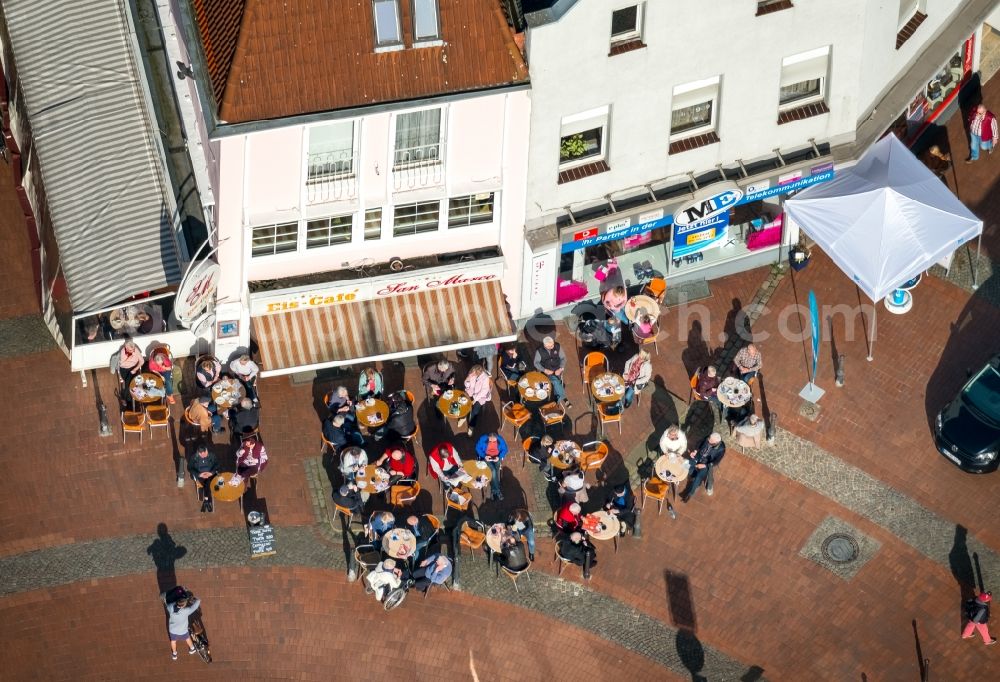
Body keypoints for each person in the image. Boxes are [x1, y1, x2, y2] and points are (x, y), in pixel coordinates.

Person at [682, 433, 726, 502]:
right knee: (686, 464)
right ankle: (693, 474)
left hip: (706, 464)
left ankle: (690, 494)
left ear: (716, 443)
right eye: (708, 439)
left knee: (698, 478)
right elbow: (699, 443)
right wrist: (695, 451)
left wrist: (704, 465)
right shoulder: (708, 437)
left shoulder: (721, 449)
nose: (708, 441)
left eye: (710, 442)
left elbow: (716, 462)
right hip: (699, 456)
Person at [160, 588, 200, 660]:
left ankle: (174, 654)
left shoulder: (170, 607)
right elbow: (195, 605)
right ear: (184, 605)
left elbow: (167, 604)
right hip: (183, 630)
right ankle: (192, 648)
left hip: (173, 630)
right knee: (187, 638)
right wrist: (197, 600)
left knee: (173, 641)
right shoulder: (186, 611)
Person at [533, 336, 571, 408]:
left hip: (557, 370)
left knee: (555, 381)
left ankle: (557, 400)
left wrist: (560, 369)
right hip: (546, 372)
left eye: (552, 345)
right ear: (544, 345)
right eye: (549, 346)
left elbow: (563, 358)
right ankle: (563, 398)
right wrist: (544, 370)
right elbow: (536, 363)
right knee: (556, 381)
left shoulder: (557, 346)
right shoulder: (539, 351)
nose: (552, 347)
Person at [475, 432, 508, 501]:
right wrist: (484, 456)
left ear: (497, 438)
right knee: (493, 471)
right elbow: (477, 448)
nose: (492, 442)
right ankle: (497, 491)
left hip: (497, 457)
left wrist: (499, 457)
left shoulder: (500, 440)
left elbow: (505, 449)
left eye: (494, 441)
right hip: (487, 457)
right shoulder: (483, 439)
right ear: (488, 438)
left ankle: (493, 491)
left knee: (495, 472)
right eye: (490, 441)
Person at [187, 444, 220, 512]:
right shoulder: (194, 458)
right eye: (203, 455)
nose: (205, 455)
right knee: (207, 482)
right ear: (199, 453)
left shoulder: (211, 455)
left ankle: (206, 500)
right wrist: (199, 475)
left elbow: (217, 464)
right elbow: (189, 468)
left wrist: (211, 473)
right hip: (201, 475)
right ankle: (207, 501)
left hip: (210, 474)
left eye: (206, 453)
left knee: (207, 481)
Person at [463, 364, 492, 436]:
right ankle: (463, 416)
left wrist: (475, 399)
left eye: (474, 373)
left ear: (478, 372)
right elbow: (467, 385)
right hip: (471, 392)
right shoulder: (472, 374)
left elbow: (484, 391)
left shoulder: (485, 378)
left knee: (475, 411)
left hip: (480, 396)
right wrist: (468, 379)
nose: (472, 373)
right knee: (462, 401)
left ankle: (471, 427)